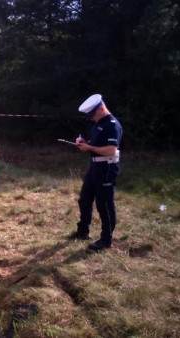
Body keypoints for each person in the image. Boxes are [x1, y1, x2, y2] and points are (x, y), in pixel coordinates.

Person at [69, 94, 123, 252]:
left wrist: (90, 148)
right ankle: (82, 231)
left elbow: (111, 150)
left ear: (101, 108)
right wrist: (85, 144)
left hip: (107, 169)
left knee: (104, 204)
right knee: (84, 199)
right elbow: (97, 144)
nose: (91, 118)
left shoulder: (112, 125)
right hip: (94, 168)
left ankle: (106, 240)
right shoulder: (97, 123)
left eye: (92, 114)